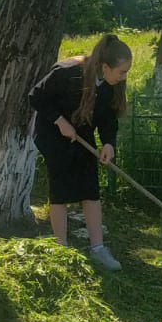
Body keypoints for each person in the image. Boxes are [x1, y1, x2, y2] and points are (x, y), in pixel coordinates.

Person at [29, 34, 133, 271]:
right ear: (105, 67)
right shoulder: (68, 72)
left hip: (81, 130)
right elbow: (36, 97)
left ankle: (98, 248)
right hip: (52, 131)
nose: (124, 76)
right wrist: (59, 121)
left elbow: (108, 118)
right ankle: (61, 247)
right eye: (122, 71)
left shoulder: (110, 86)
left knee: (90, 187)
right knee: (61, 187)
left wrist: (108, 144)